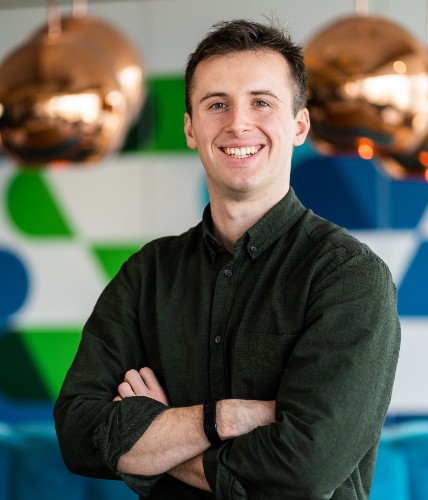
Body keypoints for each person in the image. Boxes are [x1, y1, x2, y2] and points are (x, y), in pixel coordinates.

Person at [54, 18, 400, 500]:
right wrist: (226, 417)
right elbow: (78, 433)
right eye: (217, 104)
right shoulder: (147, 274)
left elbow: (304, 470)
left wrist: (157, 440)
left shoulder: (348, 275)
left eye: (262, 102)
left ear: (299, 125)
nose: (238, 123)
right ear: (190, 128)